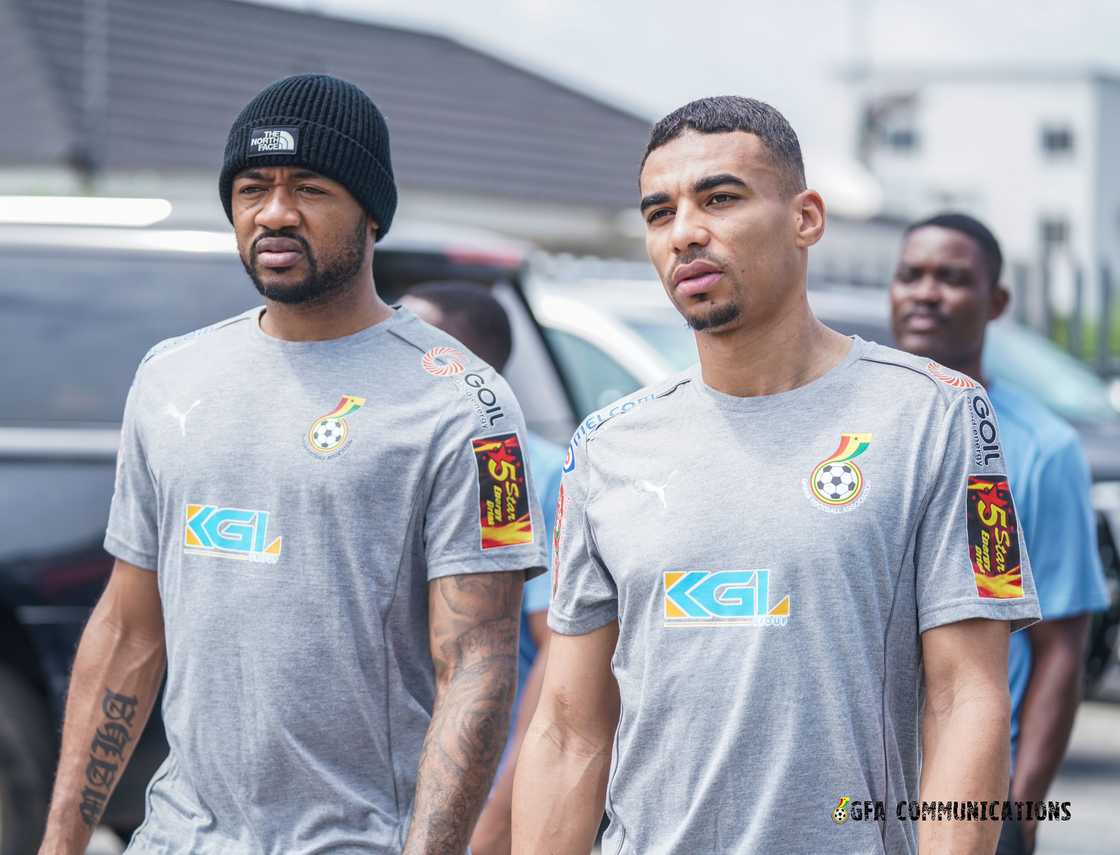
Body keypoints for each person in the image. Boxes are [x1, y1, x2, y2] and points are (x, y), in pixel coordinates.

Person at [511, 96, 1041, 855]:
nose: (686, 231)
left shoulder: (938, 415)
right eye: (660, 213)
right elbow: (567, 728)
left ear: (806, 218)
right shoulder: (605, 446)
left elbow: (966, 697)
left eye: (720, 198)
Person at [37, 74, 546, 855]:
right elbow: (129, 628)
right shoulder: (171, 378)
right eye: (252, 188)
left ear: (372, 211)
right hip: (178, 838)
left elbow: (478, 665)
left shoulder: (469, 407)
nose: (275, 212)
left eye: (308, 187)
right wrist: (62, 840)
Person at [890, 212, 1110, 855]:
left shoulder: (1033, 449)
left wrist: (1016, 811)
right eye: (912, 275)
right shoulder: (849, 434)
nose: (926, 292)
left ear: (997, 302)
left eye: (952, 278)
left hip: (963, 791)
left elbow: (1060, 646)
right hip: (853, 783)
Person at [399, 282, 564, 855]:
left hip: (466, 803)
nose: (395, 359)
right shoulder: (389, 455)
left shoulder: (505, 469)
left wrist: (496, 820)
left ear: (472, 365)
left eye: (419, 346)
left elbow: (557, 658)